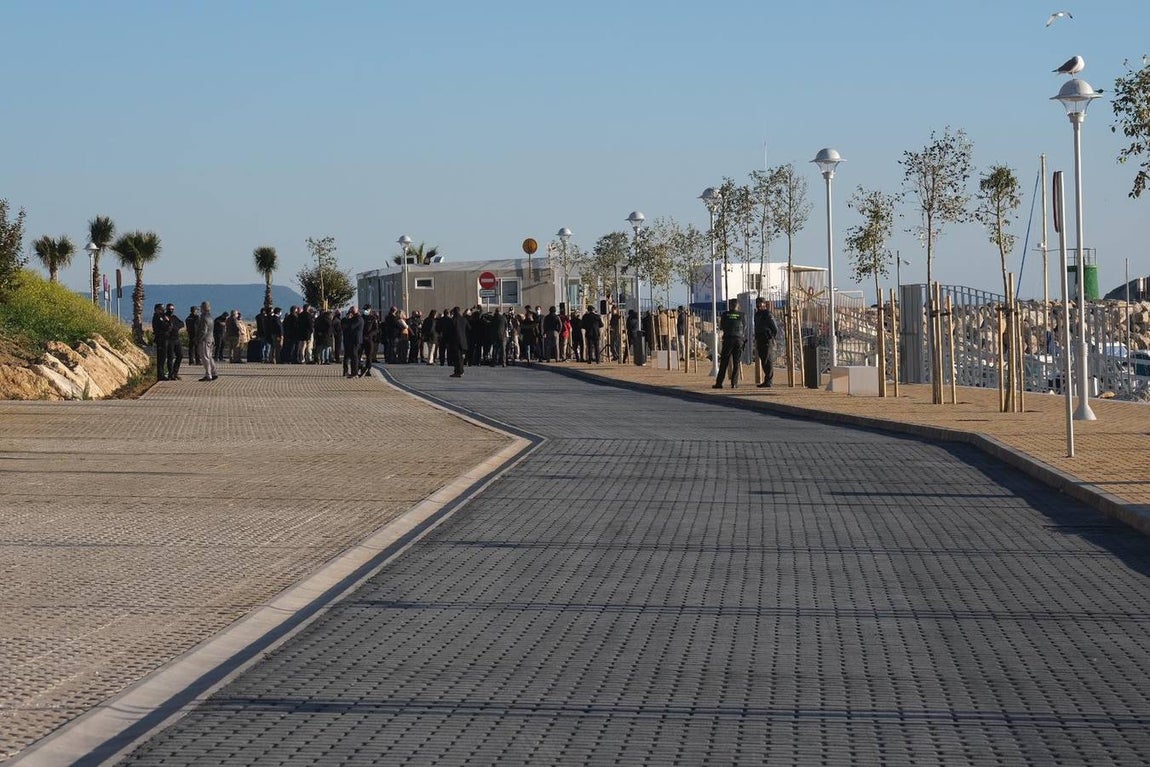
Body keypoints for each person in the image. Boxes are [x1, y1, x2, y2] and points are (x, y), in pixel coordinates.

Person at [713, 298, 745, 389]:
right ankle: (734, 383)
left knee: (724, 362)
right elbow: (744, 327)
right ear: (738, 306)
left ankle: (719, 383)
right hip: (738, 339)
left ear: (730, 306)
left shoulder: (725, 314)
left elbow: (722, 326)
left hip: (728, 339)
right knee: (736, 362)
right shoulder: (742, 315)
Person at [753, 296, 779, 387]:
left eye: (761, 303)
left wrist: (772, 338)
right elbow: (756, 327)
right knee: (763, 360)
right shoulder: (756, 315)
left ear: (764, 304)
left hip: (767, 339)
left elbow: (775, 328)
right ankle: (767, 380)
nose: (759, 305)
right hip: (759, 339)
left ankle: (769, 380)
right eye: (758, 303)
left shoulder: (767, 314)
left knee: (768, 360)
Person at [197, 301, 218, 381]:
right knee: (209, 357)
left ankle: (208, 375)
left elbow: (203, 331)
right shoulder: (211, 317)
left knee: (205, 357)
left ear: (203, 308)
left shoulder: (203, 318)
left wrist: (199, 339)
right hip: (211, 339)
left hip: (205, 340)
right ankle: (214, 372)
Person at [445, 306, 469, 377]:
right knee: (460, 357)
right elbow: (469, 328)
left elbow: (449, 331)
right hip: (463, 341)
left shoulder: (453, 320)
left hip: (455, 341)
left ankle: (459, 371)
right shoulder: (464, 319)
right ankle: (459, 371)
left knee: (456, 358)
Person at [341, 306, 364, 378]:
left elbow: (350, 327)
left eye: (352, 311)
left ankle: (355, 373)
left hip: (355, 340)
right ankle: (356, 371)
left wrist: (348, 321)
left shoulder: (358, 318)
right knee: (352, 356)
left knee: (354, 357)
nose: (351, 312)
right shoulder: (354, 318)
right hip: (352, 340)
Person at [165, 304, 184, 380]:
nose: (171, 310)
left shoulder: (174, 317)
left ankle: (175, 372)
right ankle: (170, 374)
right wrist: (172, 325)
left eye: (172, 309)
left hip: (176, 339)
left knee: (180, 355)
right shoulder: (165, 317)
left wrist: (175, 327)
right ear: (167, 309)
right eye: (170, 309)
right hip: (169, 340)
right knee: (170, 357)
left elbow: (182, 324)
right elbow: (168, 327)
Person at [150, 303, 169, 380]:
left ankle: (162, 374)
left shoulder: (161, 317)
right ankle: (160, 375)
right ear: (157, 310)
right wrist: (167, 322)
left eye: (163, 309)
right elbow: (165, 327)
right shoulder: (157, 318)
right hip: (160, 339)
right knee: (161, 358)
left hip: (164, 338)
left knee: (163, 357)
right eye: (161, 309)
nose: (162, 311)